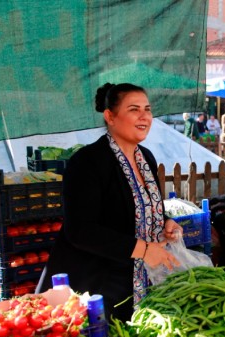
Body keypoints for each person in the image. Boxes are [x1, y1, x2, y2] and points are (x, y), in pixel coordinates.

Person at [40, 83, 183, 322]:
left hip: (137, 279)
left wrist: (165, 222)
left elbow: (141, 206)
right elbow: (81, 230)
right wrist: (144, 250)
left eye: (147, 109)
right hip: (97, 283)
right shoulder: (87, 162)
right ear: (110, 116)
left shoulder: (145, 157)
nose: (144, 116)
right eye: (134, 109)